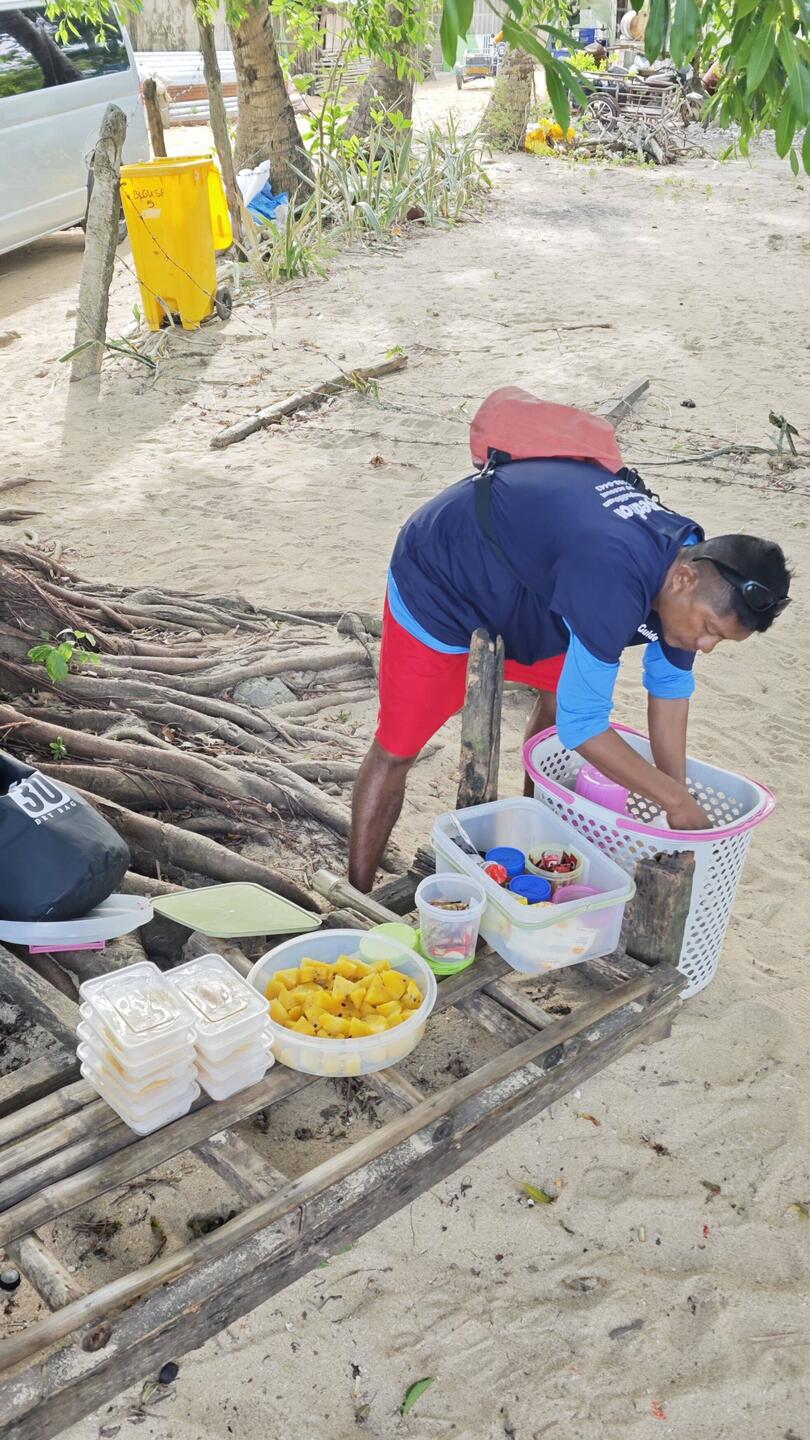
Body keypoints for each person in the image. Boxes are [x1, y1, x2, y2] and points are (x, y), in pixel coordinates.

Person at [348, 391, 791, 892]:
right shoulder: (617, 574)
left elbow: (669, 688)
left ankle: (523, 854)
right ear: (685, 580)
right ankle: (356, 896)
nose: (706, 646)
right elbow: (587, 726)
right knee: (398, 746)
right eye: (710, 630)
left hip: (536, 589)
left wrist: (677, 797)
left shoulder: (689, 574)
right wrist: (674, 802)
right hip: (444, 575)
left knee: (558, 705)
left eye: (720, 641)